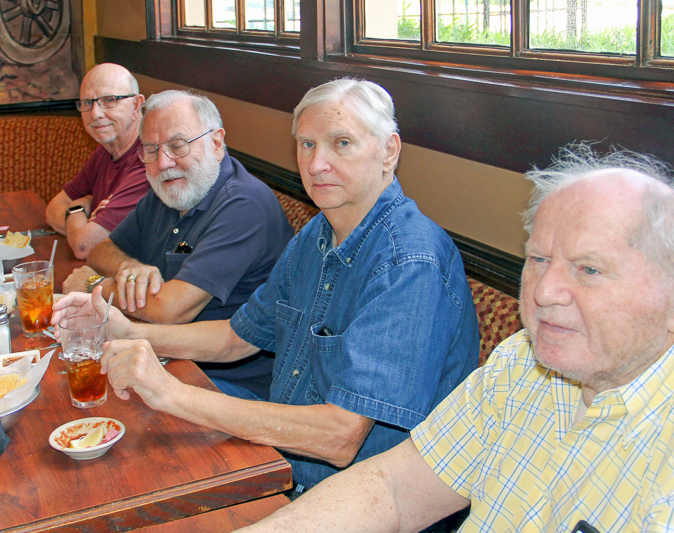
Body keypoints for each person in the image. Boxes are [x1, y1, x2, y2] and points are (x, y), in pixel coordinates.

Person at [53, 79, 480, 492]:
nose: (316, 164)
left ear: (389, 151)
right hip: (279, 459)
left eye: (341, 143)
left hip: (357, 498)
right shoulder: (315, 236)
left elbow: (339, 437)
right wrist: (133, 333)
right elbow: (238, 337)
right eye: (307, 144)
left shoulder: (410, 263)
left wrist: (171, 392)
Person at [237, 143, 674, 532]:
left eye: (589, 269)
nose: (543, 291)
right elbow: (393, 489)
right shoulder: (520, 363)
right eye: (539, 259)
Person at [62, 89, 294, 399]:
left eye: (178, 145)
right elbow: (101, 249)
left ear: (216, 142)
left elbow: (169, 309)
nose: (163, 162)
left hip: (231, 386)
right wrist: (130, 267)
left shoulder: (244, 205)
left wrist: (93, 284)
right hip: (170, 361)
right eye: (150, 149)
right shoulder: (170, 192)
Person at [46, 63, 150, 260]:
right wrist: (84, 215)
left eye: (109, 100)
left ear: (136, 105)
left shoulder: (149, 159)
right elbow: (53, 208)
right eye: (87, 103)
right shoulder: (106, 149)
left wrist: (76, 209)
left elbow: (84, 246)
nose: (95, 114)